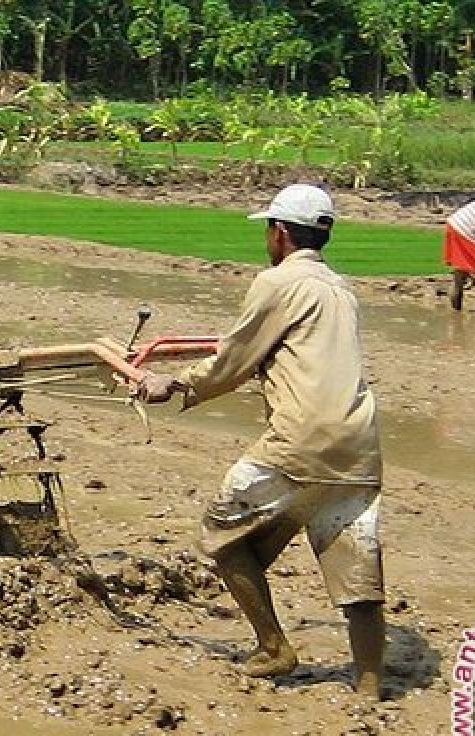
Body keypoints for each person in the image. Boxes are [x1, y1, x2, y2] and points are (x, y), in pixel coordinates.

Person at [138, 184, 386, 700]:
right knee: (357, 572)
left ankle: (274, 648)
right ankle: (370, 687)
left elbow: (235, 357)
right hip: (357, 445)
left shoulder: (277, 282)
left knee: (222, 534)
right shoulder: (340, 288)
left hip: (299, 442)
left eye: (268, 230)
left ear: (280, 232)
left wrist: (175, 382)